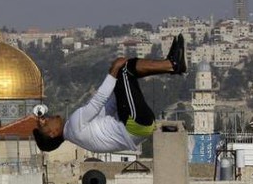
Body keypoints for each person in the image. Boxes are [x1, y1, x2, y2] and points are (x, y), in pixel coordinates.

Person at [33, 34, 187, 154]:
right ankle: (172, 64)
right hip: (134, 124)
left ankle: (172, 64)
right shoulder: (74, 125)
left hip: (139, 127)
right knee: (122, 68)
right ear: (53, 134)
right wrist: (113, 71)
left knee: (124, 71)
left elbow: (108, 107)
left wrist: (119, 88)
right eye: (45, 125)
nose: (45, 119)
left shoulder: (77, 133)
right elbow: (98, 101)